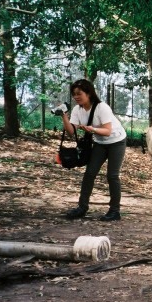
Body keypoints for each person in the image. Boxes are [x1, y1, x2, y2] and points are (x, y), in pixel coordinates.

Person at [57, 79, 127, 221]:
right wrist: (64, 116)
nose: (76, 97)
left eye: (79, 93)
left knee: (112, 176)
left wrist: (92, 129)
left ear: (88, 93)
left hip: (116, 141)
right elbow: (71, 131)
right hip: (100, 143)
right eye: (74, 94)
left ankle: (115, 211)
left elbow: (107, 131)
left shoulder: (102, 107)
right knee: (89, 173)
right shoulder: (77, 109)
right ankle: (82, 207)